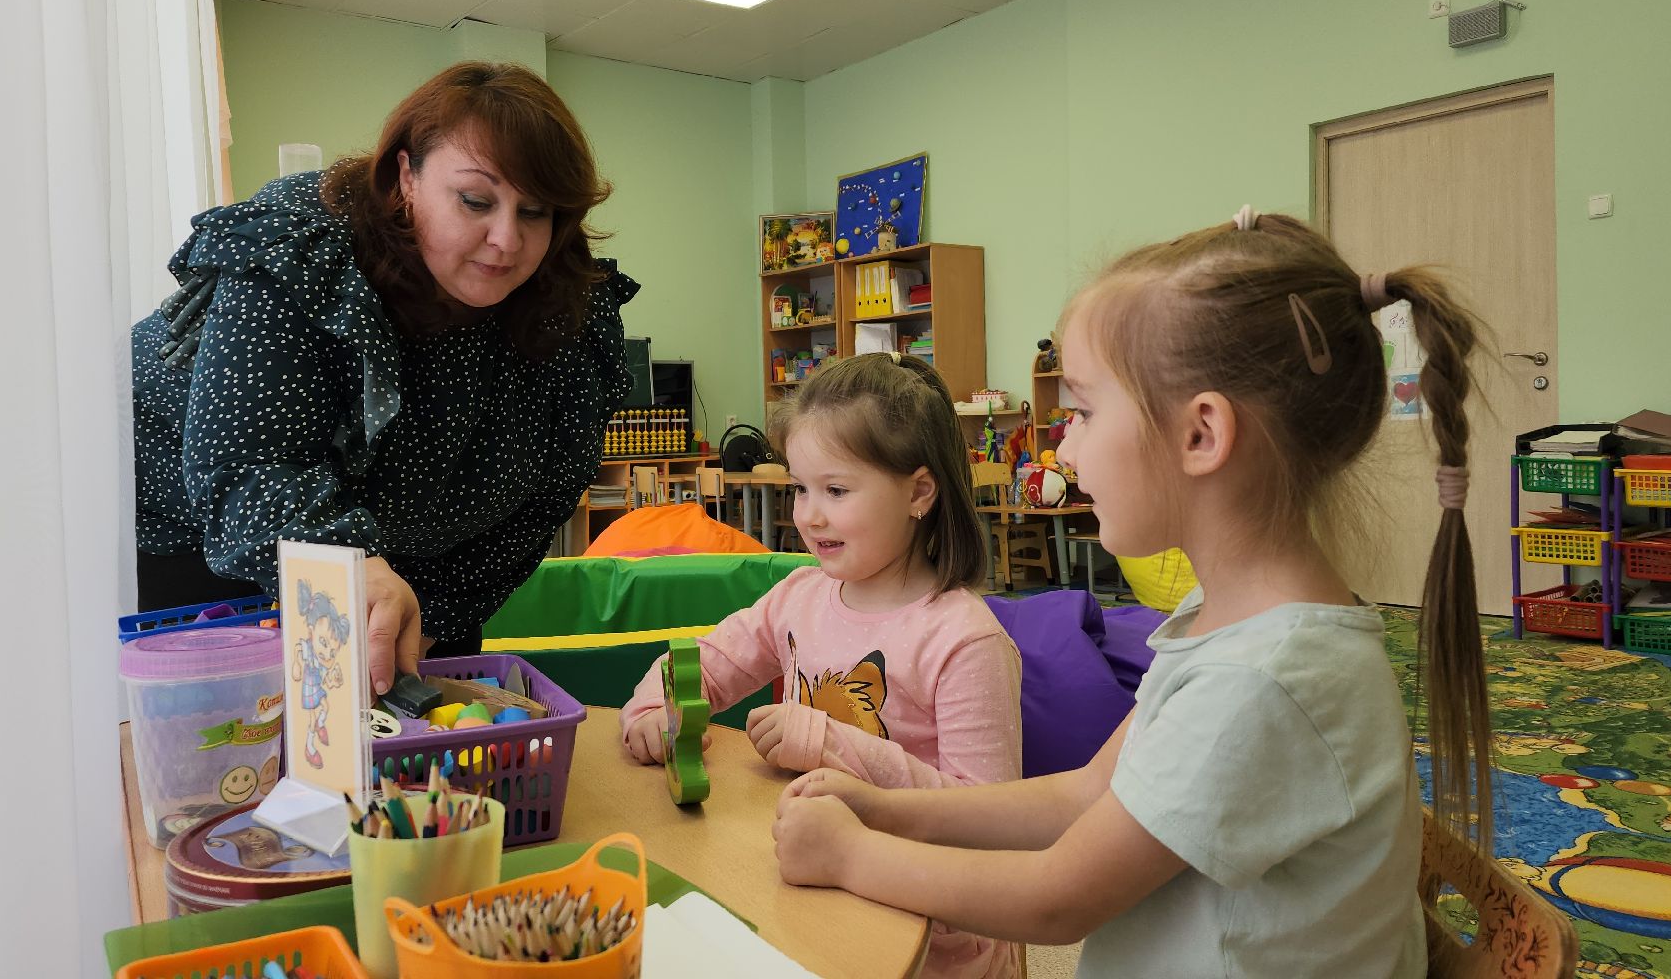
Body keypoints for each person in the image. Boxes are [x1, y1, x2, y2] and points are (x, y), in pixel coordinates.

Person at [770, 208, 1494, 978]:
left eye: (1082, 412)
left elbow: (1056, 900)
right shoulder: (1224, 618)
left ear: (1200, 435)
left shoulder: (1261, 680)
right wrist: (887, 809)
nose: (1065, 446)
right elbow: (1085, 794)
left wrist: (852, 857)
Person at [133, 61, 633, 694]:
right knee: (237, 732)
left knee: (418, 723)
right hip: (207, 533)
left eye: (535, 212)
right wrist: (347, 565)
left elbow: (546, 494)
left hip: (410, 558)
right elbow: (250, 466)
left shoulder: (569, 310)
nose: (507, 239)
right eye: (475, 201)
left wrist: (438, 614)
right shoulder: (304, 248)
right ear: (407, 177)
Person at [620, 352, 1022, 978]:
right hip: (813, 881)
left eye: (835, 490)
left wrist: (827, 741)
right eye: (800, 488)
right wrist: (654, 706)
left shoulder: (965, 640)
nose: (808, 514)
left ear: (919, 492)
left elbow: (987, 825)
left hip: (933, 932)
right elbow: (709, 662)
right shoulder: (799, 596)